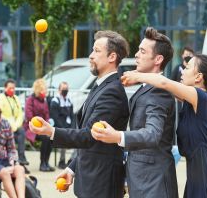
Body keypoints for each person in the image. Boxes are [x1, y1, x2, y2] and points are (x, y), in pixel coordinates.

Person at [29, 30, 130, 198]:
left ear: (112, 57)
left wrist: (51, 131)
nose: (91, 55)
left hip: (101, 183)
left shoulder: (112, 92)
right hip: (91, 178)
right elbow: (90, 140)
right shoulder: (101, 86)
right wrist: (72, 168)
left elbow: (88, 136)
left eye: (97, 51)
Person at [116, 54, 207, 197]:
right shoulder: (193, 100)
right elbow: (165, 87)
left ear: (198, 77)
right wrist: (139, 77)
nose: (182, 71)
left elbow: (164, 83)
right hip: (196, 178)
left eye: (187, 68)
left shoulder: (202, 97)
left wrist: (137, 76)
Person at [91, 27, 178, 197]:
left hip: (154, 185)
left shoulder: (158, 91)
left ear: (158, 59)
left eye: (142, 51)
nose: (136, 55)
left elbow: (152, 134)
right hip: (142, 181)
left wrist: (118, 136)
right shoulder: (145, 88)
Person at [0, 79, 29, 166]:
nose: (12, 90)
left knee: (21, 132)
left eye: (13, 88)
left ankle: (21, 158)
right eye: (10, 88)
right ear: (5, 88)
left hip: (15, 126)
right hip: (4, 126)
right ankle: (12, 160)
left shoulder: (16, 98)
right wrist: (11, 125)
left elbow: (20, 114)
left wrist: (16, 125)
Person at [23, 78, 55, 172]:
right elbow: (29, 115)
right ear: (38, 90)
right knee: (46, 137)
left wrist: (46, 124)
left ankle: (46, 162)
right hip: (31, 127)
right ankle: (42, 163)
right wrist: (40, 125)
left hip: (42, 127)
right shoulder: (30, 100)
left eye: (45, 90)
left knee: (50, 136)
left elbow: (47, 115)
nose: (44, 92)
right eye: (43, 90)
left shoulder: (44, 101)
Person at [50, 81, 75, 169]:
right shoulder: (55, 101)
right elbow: (55, 118)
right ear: (59, 90)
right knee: (63, 140)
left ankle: (71, 161)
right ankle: (62, 161)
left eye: (66, 89)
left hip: (68, 127)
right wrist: (64, 129)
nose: (65, 91)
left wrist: (72, 127)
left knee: (80, 138)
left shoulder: (69, 101)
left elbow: (72, 116)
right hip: (59, 127)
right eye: (63, 89)